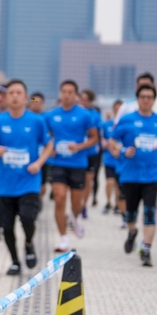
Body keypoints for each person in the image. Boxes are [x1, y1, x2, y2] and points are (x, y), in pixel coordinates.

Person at [0, 79, 53, 276]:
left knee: (28, 218)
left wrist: (39, 163)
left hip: (29, 181)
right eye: (11, 93)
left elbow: (49, 144)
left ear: (25, 97)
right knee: (6, 226)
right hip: (5, 185)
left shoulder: (36, 121)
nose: (14, 96)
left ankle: (29, 243)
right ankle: (14, 261)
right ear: (6, 98)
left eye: (18, 93)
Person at [43, 80, 97, 252]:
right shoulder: (51, 115)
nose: (66, 95)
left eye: (70, 92)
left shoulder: (85, 115)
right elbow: (44, 136)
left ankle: (74, 217)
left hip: (78, 163)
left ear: (75, 95)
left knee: (76, 203)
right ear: (60, 93)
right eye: (64, 92)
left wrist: (79, 146)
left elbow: (95, 138)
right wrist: (49, 148)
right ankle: (63, 238)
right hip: (58, 163)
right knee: (59, 198)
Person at [110, 84, 157, 267]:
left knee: (150, 212)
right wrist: (123, 150)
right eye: (142, 97)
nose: (146, 100)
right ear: (137, 99)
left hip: (152, 175)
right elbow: (112, 142)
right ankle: (132, 232)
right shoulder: (127, 120)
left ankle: (146, 249)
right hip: (130, 175)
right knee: (131, 213)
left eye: (149, 97)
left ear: (153, 100)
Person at [79, 89, 103, 215]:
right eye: (82, 99)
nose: (84, 102)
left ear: (91, 101)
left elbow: (98, 134)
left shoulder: (95, 115)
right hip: (76, 153)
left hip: (91, 153)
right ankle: (76, 205)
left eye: (86, 100)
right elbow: (34, 100)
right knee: (77, 182)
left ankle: (84, 205)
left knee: (88, 180)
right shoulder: (75, 112)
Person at [100, 101, 124, 215]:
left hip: (122, 161)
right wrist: (105, 143)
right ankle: (108, 202)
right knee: (110, 182)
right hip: (109, 159)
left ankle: (117, 205)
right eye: (116, 108)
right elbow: (102, 138)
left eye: (120, 108)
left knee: (119, 185)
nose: (118, 110)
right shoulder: (107, 124)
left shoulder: (126, 124)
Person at [28, 92, 50, 197]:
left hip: (43, 156)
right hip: (28, 156)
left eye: (38, 102)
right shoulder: (25, 117)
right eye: (34, 101)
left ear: (43, 103)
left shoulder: (47, 117)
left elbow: (53, 134)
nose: (36, 103)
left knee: (42, 186)